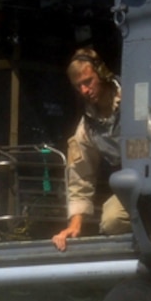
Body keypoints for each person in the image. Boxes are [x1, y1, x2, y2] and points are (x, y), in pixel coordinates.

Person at [51, 48, 131, 251]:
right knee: (112, 221)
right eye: (79, 86)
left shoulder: (134, 94)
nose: (85, 90)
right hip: (133, 185)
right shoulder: (87, 127)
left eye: (88, 81)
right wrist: (74, 225)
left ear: (102, 74)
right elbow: (80, 177)